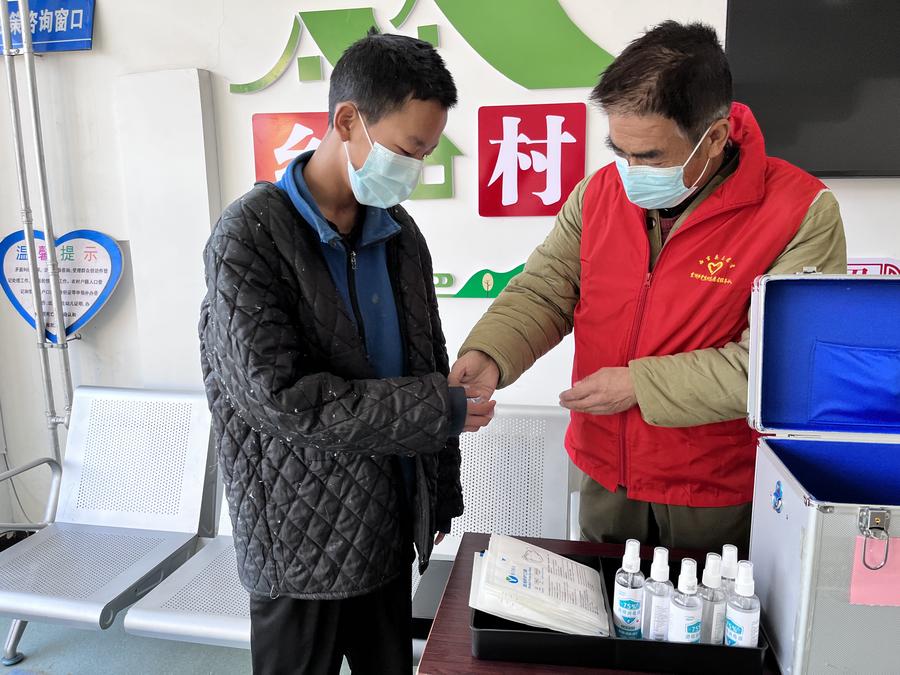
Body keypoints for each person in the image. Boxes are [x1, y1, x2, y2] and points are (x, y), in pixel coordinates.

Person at [450, 21, 846, 556]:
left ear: (715, 136)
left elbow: (782, 366)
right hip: (603, 475)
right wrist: (491, 353)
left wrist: (640, 385)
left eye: (652, 156)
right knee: (597, 621)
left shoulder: (800, 211)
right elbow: (545, 290)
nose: (631, 172)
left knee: (704, 632)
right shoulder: (599, 194)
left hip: (715, 492)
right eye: (622, 151)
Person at [199, 30, 494, 675]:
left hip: (386, 531)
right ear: (347, 120)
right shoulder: (249, 238)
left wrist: (436, 494)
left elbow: (426, 361)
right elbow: (282, 400)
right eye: (408, 148)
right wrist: (436, 409)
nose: (415, 169)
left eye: (427, 152)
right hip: (299, 541)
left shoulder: (399, 235)